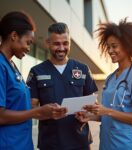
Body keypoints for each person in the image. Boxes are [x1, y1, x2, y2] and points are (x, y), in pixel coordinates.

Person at [76, 18, 132, 150]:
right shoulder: (110, 78)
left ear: (127, 46)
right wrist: (90, 116)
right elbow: (108, 114)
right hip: (107, 144)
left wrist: (108, 111)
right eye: (108, 47)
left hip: (128, 145)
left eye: (114, 46)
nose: (110, 50)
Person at [0, 11, 67, 150]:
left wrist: (47, 113)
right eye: (28, 42)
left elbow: (20, 109)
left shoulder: (11, 66)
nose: (29, 48)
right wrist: (38, 111)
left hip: (22, 144)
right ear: (14, 36)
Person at [27, 22, 98, 150]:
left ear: (70, 42)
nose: (61, 48)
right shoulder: (36, 71)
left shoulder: (83, 69)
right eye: (56, 44)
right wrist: (48, 113)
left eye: (65, 43)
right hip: (50, 144)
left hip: (81, 143)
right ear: (48, 42)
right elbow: (30, 110)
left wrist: (88, 114)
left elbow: (94, 105)